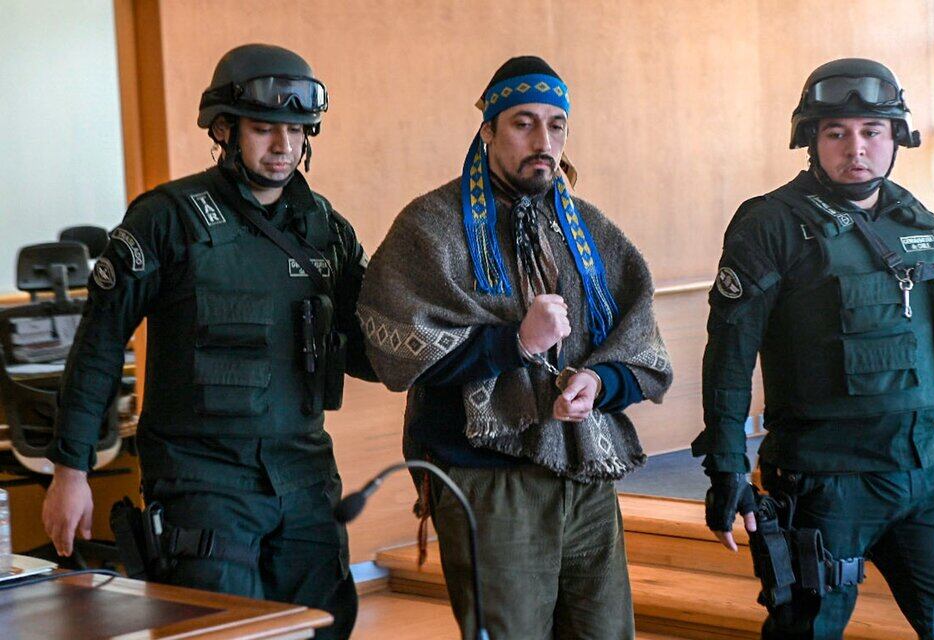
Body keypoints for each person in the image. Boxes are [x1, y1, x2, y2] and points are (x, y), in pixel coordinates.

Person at [41, 43, 375, 639]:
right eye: (264, 129)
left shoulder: (327, 229)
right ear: (224, 129)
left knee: (323, 627)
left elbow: (374, 348)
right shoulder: (165, 219)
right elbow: (99, 344)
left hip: (304, 477)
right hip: (202, 481)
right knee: (219, 631)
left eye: (296, 130)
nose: (283, 145)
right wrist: (71, 470)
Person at [357, 56, 673, 639]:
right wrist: (515, 342)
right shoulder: (430, 226)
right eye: (523, 123)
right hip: (488, 480)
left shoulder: (591, 230)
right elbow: (395, 350)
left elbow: (642, 343)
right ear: (488, 131)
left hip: (586, 474)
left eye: (556, 125)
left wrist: (601, 382)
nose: (543, 141)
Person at [693, 57, 934, 639]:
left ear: (896, 137)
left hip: (931, 472)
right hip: (826, 483)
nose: (855, 148)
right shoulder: (771, 224)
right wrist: (726, 466)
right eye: (836, 132)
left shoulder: (914, 219)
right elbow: (730, 354)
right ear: (811, 141)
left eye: (872, 131)